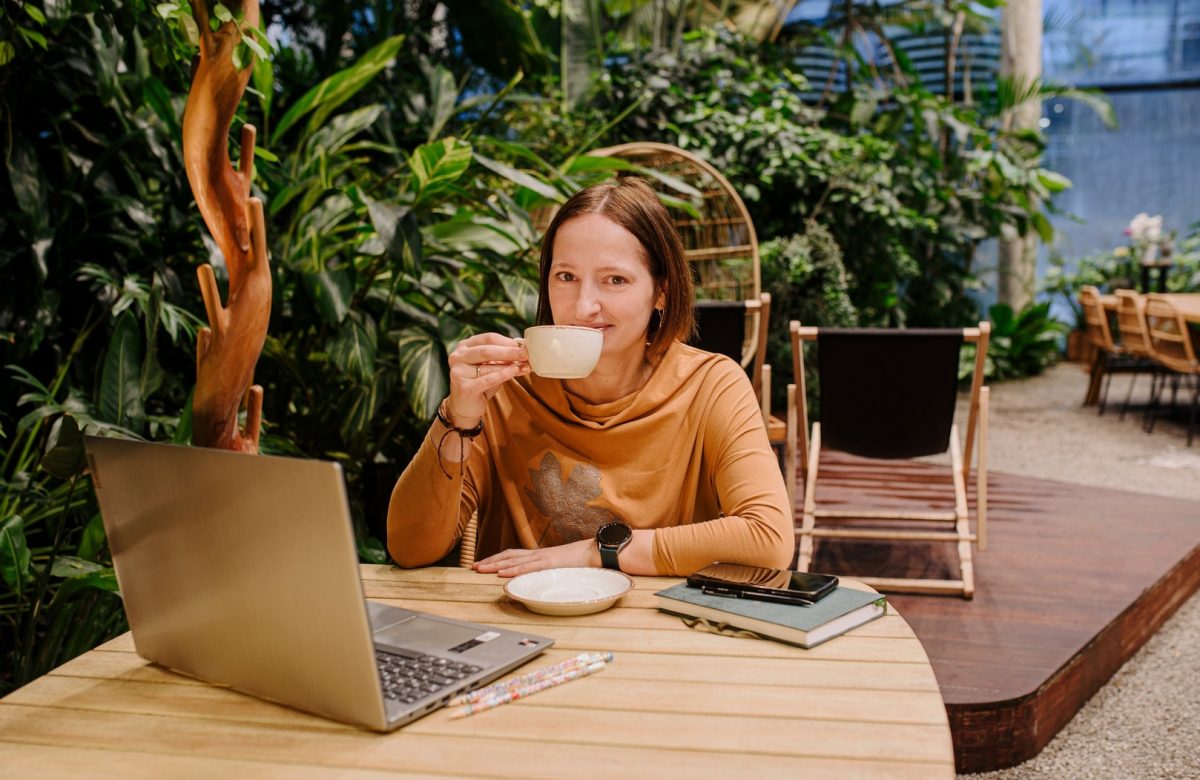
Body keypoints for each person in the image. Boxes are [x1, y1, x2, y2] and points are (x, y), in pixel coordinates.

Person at [387, 177, 793, 577]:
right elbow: (410, 549)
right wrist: (458, 417)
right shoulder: (502, 390)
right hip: (519, 627)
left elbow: (768, 537)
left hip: (660, 629)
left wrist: (597, 552)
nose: (583, 307)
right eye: (566, 277)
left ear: (661, 292)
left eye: (614, 280)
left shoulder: (710, 385)